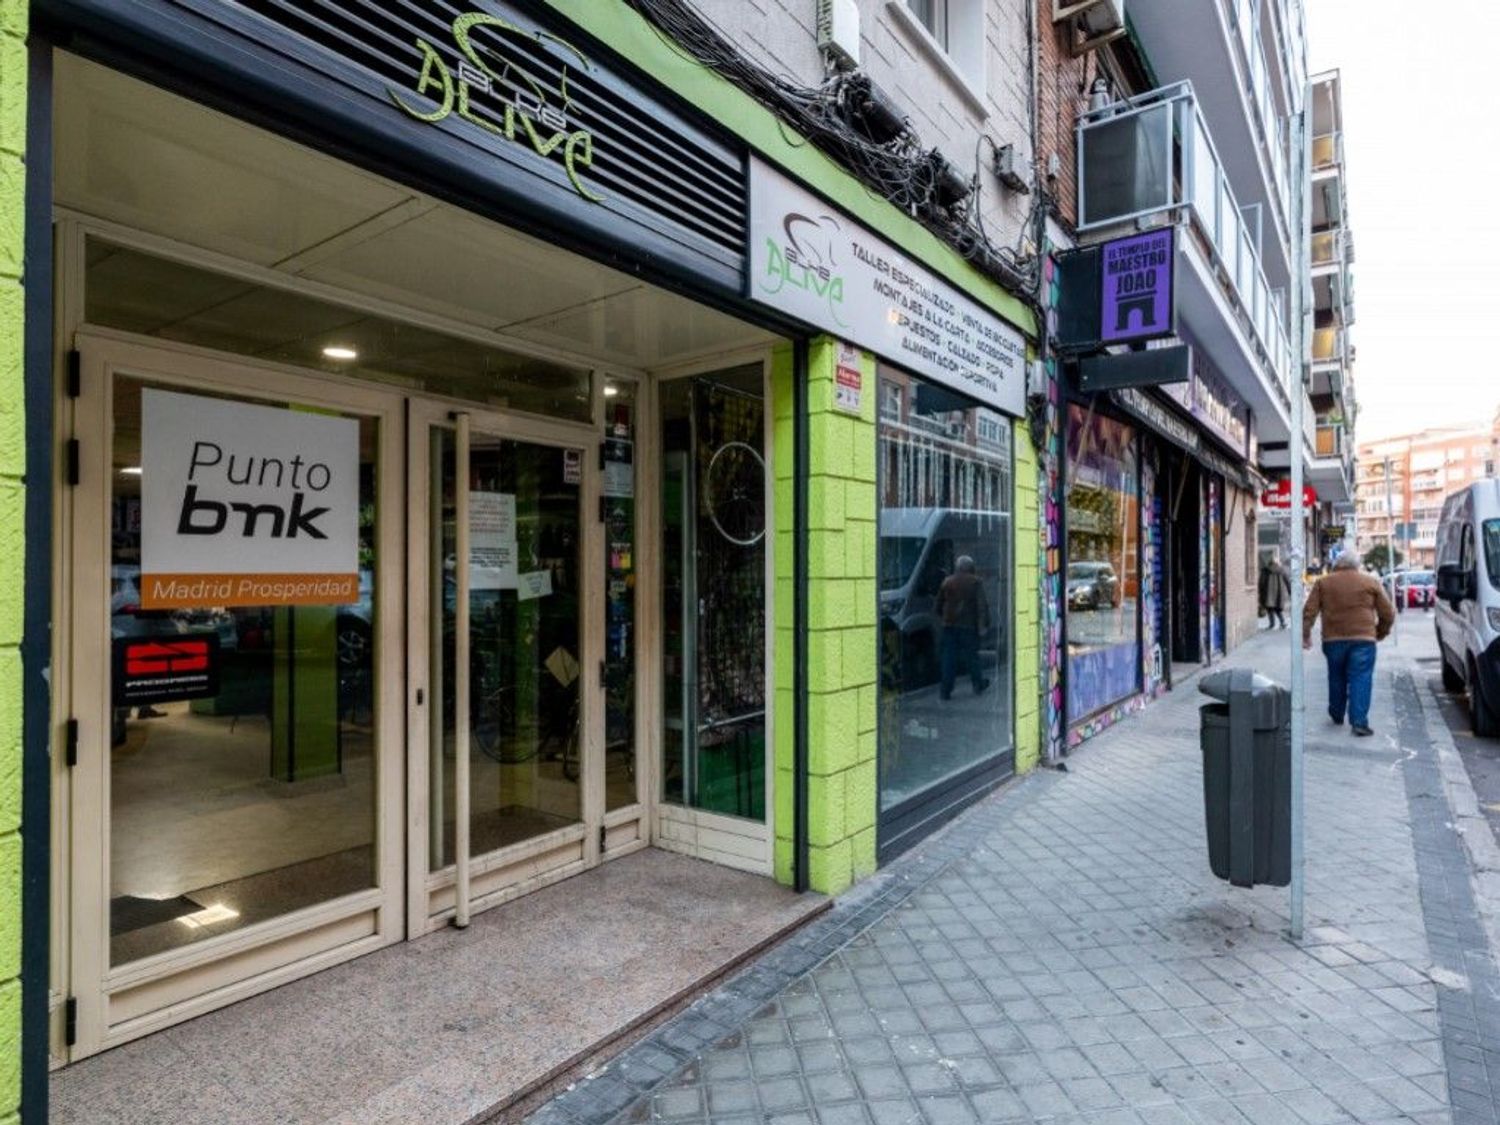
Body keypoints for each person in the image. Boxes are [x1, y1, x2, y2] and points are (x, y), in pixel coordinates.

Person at [1302, 552, 1395, 737]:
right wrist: (1380, 632)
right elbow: (1388, 613)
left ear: (1337, 564)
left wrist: (1306, 635)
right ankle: (1359, 722)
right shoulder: (1370, 582)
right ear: (1356, 565)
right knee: (1361, 678)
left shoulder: (1323, 583)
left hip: (1333, 640)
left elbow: (1309, 611)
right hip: (1363, 640)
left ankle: (1336, 713)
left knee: (1336, 676)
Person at [935, 555, 990, 701]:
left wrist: (943, 617)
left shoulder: (947, 582)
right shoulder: (975, 582)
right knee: (972, 657)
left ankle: (945, 690)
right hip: (968, 626)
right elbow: (981, 606)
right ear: (971, 568)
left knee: (949, 658)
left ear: (957, 567)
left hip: (949, 625)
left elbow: (938, 604)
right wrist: (982, 625)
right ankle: (978, 684)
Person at [1258, 553, 1292, 629]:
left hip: (1268, 593)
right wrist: (1290, 592)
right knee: (1277, 609)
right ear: (1277, 562)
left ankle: (1272, 624)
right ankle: (1283, 622)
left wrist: (1260, 592)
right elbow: (1287, 581)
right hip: (1279, 593)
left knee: (1269, 608)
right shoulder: (1281, 570)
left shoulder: (1265, 570)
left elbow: (1261, 582)